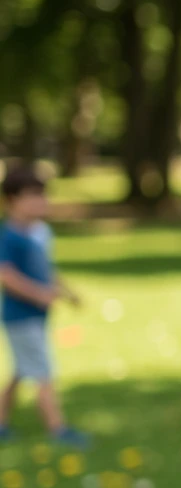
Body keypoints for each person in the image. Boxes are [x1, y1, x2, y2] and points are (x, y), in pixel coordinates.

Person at [0, 167, 87, 445]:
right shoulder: (9, 236)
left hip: (37, 316)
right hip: (20, 317)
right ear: (12, 199)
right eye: (32, 196)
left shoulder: (41, 233)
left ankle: (1, 422)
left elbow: (45, 270)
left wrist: (67, 292)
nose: (40, 202)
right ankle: (57, 429)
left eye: (42, 196)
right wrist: (38, 294)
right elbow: (6, 275)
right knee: (43, 372)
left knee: (22, 371)